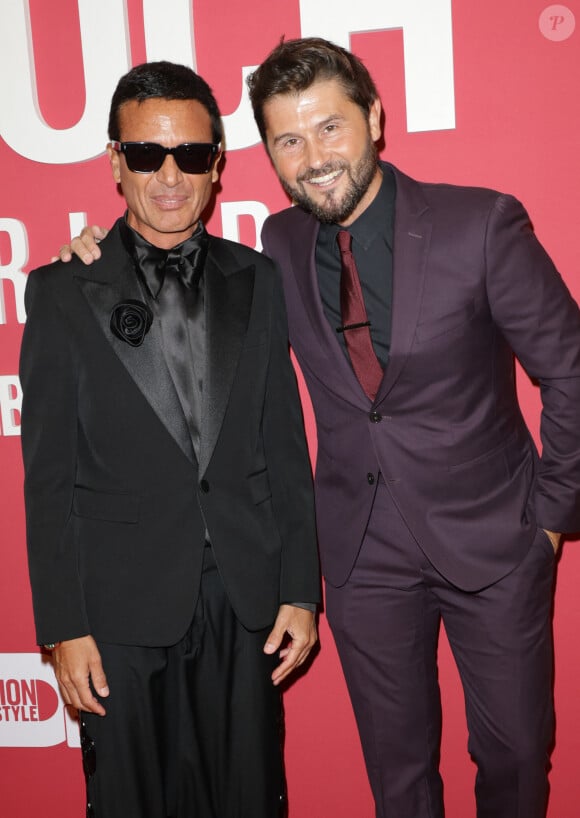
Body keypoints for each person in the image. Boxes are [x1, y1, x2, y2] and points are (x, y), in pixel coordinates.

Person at [58, 38, 580, 818]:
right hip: (364, 557)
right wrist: (96, 253)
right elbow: (167, 241)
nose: (314, 157)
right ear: (266, 152)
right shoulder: (280, 244)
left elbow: (570, 371)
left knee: (512, 755)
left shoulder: (481, 224)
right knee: (397, 773)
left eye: (330, 128)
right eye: (289, 140)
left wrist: (548, 522)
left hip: (495, 543)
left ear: (373, 118)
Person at [20, 60, 320, 818]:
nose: (169, 176)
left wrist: (299, 589)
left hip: (244, 601)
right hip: (119, 611)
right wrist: (63, 628)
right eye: (146, 154)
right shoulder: (61, 291)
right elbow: (46, 475)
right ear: (115, 161)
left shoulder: (259, 278)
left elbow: (284, 443)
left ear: (217, 163)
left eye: (190, 154)